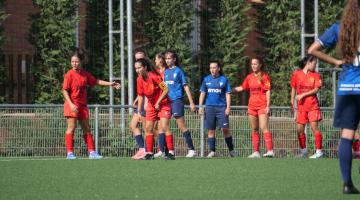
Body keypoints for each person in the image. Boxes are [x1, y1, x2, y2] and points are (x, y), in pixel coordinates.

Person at [308, 0, 360, 194]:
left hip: (347, 89)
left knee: (346, 136)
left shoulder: (339, 29)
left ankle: (347, 184)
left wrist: (336, 61)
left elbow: (312, 50)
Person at [62, 50, 120, 159]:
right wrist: (71, 104)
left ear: (81, 62)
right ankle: (69, 153)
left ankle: (92, 152)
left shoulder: (85, 74)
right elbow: (64, 91)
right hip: (72, 105)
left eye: (76, 61)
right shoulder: (68, 75)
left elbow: (96, 81)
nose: (74, 63)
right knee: (71, 128)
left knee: (87, 128)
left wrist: (110, 84)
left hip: (82, 106)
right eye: (72, 61)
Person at [158, 51, 197, 158]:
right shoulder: (165, 72)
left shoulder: (179, 71)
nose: (167, 60)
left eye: (169, 58)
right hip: (167, 102)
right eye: (166, 59)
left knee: (181, 126)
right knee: (162, 125)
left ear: (174, 59)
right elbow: (163, 86)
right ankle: (163, 150)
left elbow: (185, 86)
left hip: (177, 101)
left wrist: (191, 102)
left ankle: (192, 149)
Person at [233, 57, 274, 158]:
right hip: (252, 106)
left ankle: (270, 151)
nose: (253, 66)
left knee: (263, 127)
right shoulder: (249, 77)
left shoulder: (265, 76)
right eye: (252, 64)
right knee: (254, 129)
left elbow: (268, 90)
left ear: (260, 65)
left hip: (262, 105)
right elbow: (243, 87)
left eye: (255, 64)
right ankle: (256, 152)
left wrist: (268, 106)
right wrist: (230, 89)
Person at [135, 58, 175, 160]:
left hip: (163, 104)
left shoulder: (154, 76)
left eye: (139, 68)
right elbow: (140, 96)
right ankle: (149, 153)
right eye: (136, 68)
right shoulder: (139, 80)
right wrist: (139, 112)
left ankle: (171, 152)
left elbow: (166, 89)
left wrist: (158, 102)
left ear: (145, 67)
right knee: (148, 128)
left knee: (165, 126)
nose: (137, 70)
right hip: (152, 106)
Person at [199, 61, 237, 158]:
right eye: (211, 67)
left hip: (221, 108)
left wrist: (228, 107)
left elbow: (228, 94)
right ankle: (212, 151)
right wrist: (200, 106)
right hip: (209, 108)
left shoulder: (224, 79)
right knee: (211, 130)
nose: (212, 69)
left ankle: (232, 151)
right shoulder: (206, 79)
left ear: (219, 68)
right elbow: (202, 93)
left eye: (214, 67)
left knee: (225, 129)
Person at [290, 55, 323, 159]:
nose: (315, 65)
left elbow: (317, 89)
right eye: (314, 63)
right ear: (308, 63)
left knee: (314, 128)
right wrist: (292, 104)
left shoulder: (316, 75)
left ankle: (319, 152)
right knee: (299, 130)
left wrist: (303, 95)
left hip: (313, 106)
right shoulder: (296, 74)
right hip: (301, 107)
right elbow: (293, 89)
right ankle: (303, 152)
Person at [129, 50, 148, 160]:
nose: (138, 60)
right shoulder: (139, 77)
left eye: (140, 58)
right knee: (133, 125)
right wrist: (137, 99)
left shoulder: (151, 74)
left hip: (148, 105)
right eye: (136, 59)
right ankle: (142, 149)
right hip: (142, 104)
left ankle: (161, 149)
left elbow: (163, 88)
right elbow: (142, 92)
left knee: (148, 129)